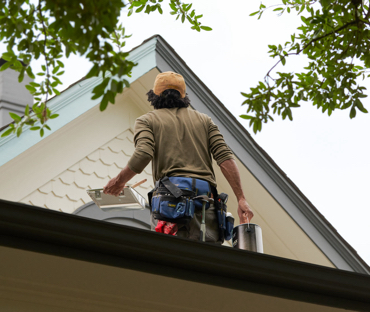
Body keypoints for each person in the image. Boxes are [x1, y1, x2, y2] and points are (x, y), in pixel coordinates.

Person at [103, 71, 253, 242]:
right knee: (207, 262)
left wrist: (119, 181)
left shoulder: (147, 120)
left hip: (171, 208)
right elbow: (225, 157)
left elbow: (143, 153)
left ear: (154, 95)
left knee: (170, 260)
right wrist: (241, 198)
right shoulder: (205, 121)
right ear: (183, 96)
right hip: (206, 206)